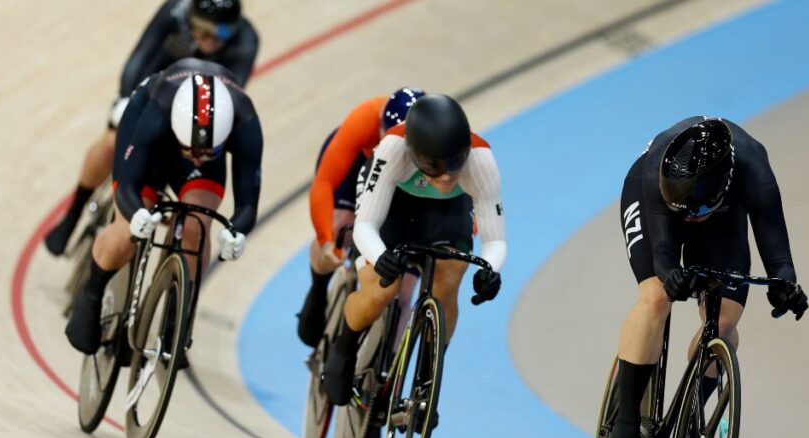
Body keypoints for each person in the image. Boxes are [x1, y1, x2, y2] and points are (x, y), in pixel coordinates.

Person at [606, 116, 809, 438]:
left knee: (726, 324)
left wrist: (785, 284)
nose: (692, 219)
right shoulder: (657, 167)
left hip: (724, 216)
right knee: (656, 296)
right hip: (652, 196)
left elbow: (776, 247)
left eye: (696, 213)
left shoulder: (752, 166)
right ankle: (624, 424)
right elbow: (664, 256)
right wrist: (671, 274)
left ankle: (689, 420)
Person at [64, 58, 264, 357]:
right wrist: (137, 214)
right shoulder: (157, 110)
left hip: (189, 139)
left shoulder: (244, 120)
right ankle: (91, 296)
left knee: (195, 228)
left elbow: (248, 200)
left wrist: (236, 232)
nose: (198, 159)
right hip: (150, 134)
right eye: (192, 151)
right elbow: (128, 185)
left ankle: (176, 320)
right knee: (126, 234)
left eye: (208, 152)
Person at [321, 94, 507, 413]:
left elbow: (495, 240)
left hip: (446, 211)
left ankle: (427, 377)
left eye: (455, 162)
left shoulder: (481, 159)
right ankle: (344, 347)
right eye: (436, 165)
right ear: (415, 153)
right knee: (383, 289)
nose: (447, 175)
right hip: (394, 203)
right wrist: (380, 257)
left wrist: (489, 269)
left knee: (449, 278)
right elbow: (365, 225)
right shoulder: (392, 150)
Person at [44, 0, 258, 256]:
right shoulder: (174, 13)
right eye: (204, 29)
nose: (211, 39)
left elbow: (232, 91)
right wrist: (125, 97)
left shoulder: (247, 39)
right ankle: (73, 213)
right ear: (191, 18)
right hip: (150, 99)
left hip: (194, 114)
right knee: (112, 143)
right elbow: (140, 58)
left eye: (222, 32)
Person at [296, 87, 427, 348]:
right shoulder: (363, 121)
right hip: (357, 164)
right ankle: (319, 288)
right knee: (339, 226)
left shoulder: (428, 142)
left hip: (401, 177)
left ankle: (387, 365)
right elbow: (323, 184)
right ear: (379, 127)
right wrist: (326, 243)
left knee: (406, 285)